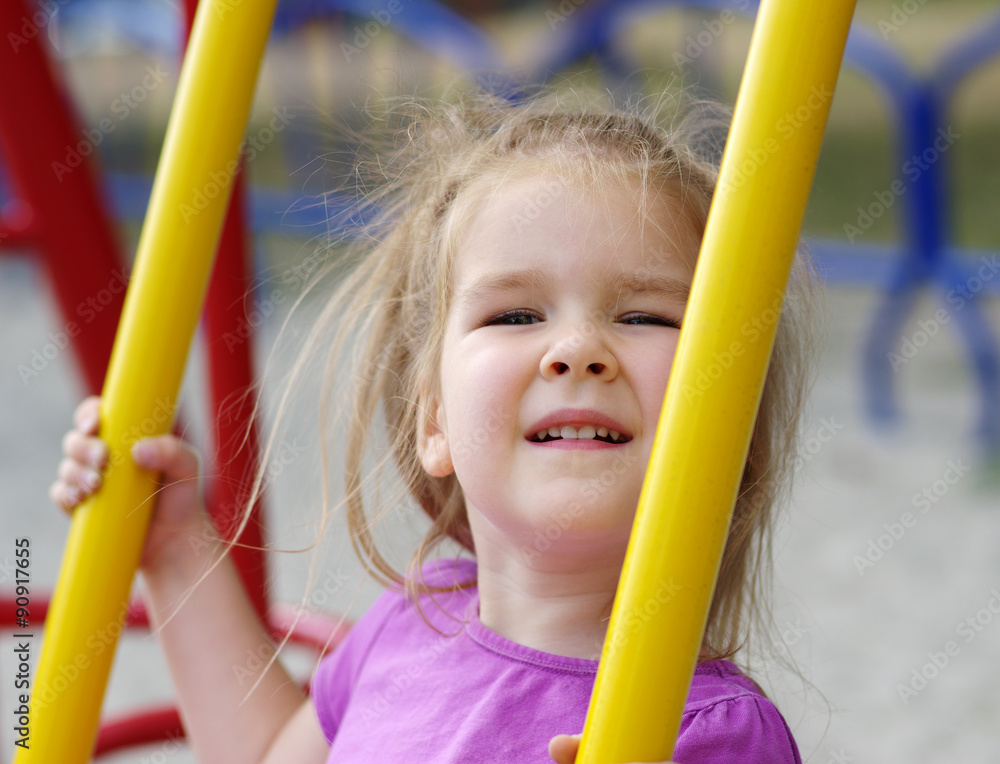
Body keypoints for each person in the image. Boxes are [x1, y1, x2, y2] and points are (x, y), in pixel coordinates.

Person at [51, 89, 818, 763]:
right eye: (515, 314)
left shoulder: (703, 733)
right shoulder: (413, 622)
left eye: (645, 315)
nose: (579, 350)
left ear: (730, 418)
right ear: (434, 419)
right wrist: (177, 551)